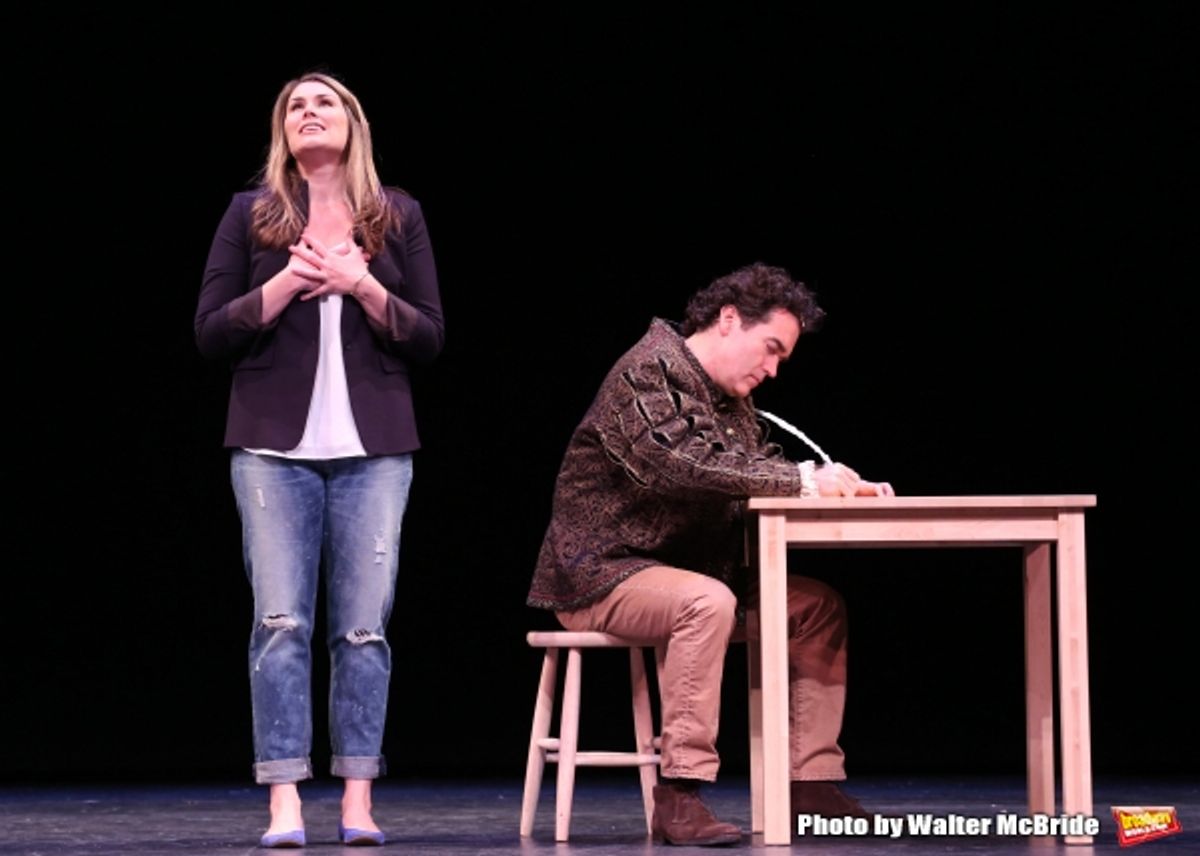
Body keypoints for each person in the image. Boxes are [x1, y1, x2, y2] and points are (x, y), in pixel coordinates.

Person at [526, 262, 892, 846]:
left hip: (694, 573)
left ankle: (811, 785)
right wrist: (801, 480)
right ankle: (679, 794)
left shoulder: (729, 402)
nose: (773, 370)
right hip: (603, 573)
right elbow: (685, 465)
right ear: (727, 321)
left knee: (815, 607)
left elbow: (761, 466)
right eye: (770, 349)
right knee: (706, 602)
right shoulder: (647, 372)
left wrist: (840, 483)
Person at [195, 72, 444, 848]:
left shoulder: (395, 215)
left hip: (375, 453)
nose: (309, 112)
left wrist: (360, 285)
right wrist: (288, 284)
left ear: (351, 123)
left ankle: (358, 797)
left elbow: (430, 334)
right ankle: (285, 803)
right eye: (295, 105)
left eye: (323, 102)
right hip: (273, 451)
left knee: (364, 630)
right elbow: (210, 330)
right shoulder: (251, 214)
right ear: (283, 130)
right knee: (279, 624)